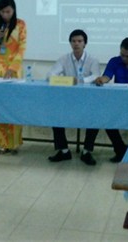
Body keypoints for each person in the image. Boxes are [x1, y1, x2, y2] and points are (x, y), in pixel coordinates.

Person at [47, 29, 101, 165]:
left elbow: (96, 76)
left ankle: (86, 152)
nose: (76, 44)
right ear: (70, 43)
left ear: (85, 44)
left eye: (80, 41)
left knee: (95, 117)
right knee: (55, 115)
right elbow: (50, 76)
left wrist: (81, 81)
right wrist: (67, 80)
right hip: (68, 100)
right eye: (73, 41)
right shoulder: (64, 59)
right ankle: (64, 151)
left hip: (87, 100)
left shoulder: (92, 59)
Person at [0, 0, 27, 153]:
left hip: (14, 68)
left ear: (13, 10)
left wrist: (13, 68)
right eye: (2, 12)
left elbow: (22, 48)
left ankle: (14, 143)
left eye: (8, 11)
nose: (5, 15)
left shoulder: (21, 24)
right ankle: (0, 143)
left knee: (13, 105)